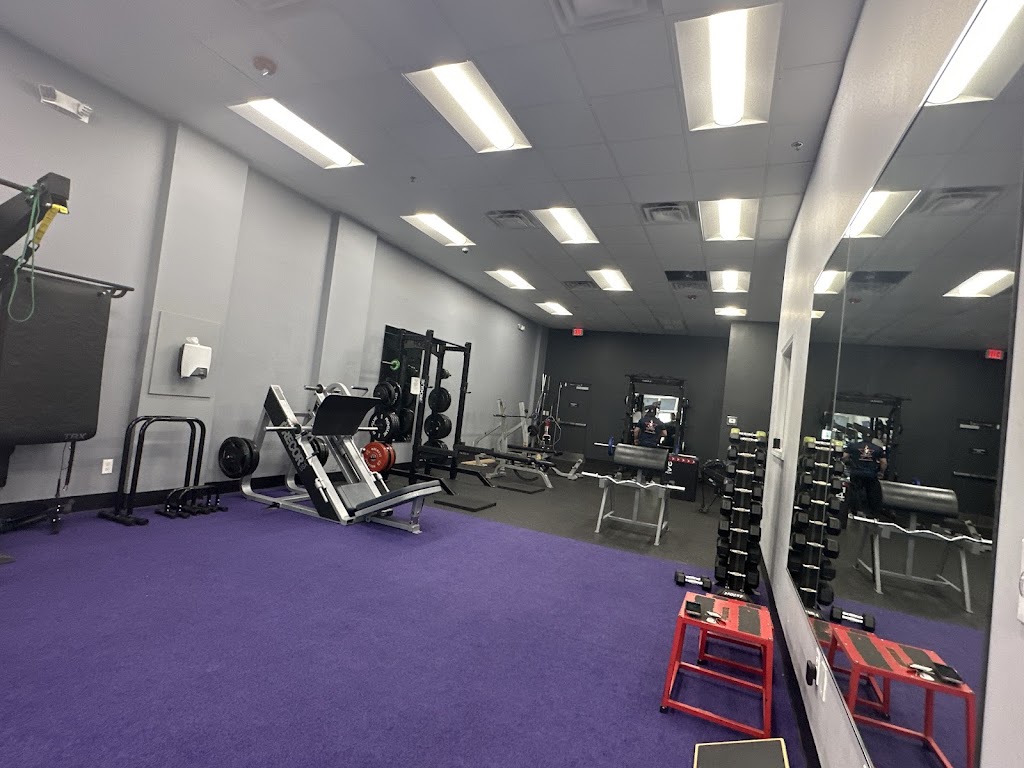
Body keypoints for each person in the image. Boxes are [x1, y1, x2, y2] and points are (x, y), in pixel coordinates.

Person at [842, 435, 887, 519]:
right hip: (871, 475)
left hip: (856, 474)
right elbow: (884, 463)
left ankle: (854, 511)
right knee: (873, 494)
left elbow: (844, 457)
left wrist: (849, 465)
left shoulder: (853, 446)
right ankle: (872, 514)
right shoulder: (878, 449)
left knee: (854, 491)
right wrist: (881, 472)